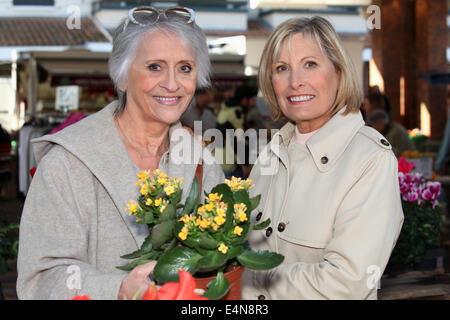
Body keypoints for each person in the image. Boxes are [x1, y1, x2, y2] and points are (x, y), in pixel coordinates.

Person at [16, 6, 224, 300]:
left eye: (185, 68)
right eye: (154, 67)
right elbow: (41, 278)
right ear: (122, 77)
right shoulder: (67, 162)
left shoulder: (201, 161)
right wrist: (117, 290)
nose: (172, 83)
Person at [241, 17, 404, 300]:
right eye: (282, 68)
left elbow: (347, 283)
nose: (295, 82)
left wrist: (251, 277)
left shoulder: (370, 160)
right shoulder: (271, 151)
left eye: (310, 64)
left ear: (339, 73)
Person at [364, 92, 416, 158]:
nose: (364, 108)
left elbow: (408, 157)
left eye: (366, 104)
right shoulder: (369, 130)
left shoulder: (397, 132)